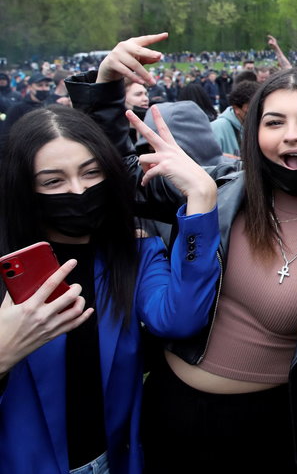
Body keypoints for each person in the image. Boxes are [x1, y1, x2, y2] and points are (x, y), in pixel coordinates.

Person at [70, 32, 297, 473]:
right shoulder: (221, 188)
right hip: (171, 415)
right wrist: (104, 86)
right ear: (253, 131)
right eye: (273, 123)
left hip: (270, 433)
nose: (291, 136)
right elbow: (114, 182)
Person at [0, 103, 221, 474]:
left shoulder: (133, 253)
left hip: (111, 461)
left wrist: (201, 197)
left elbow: (180, 320)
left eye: (92, 172)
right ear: (24, 188)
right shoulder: (11, 269)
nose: (79, 190)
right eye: (53, 181)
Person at [210, 78, 258, 157]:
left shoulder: (260, 125)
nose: (257, 111)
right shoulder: (216, 128)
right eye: (251, 107)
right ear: (236, 109)